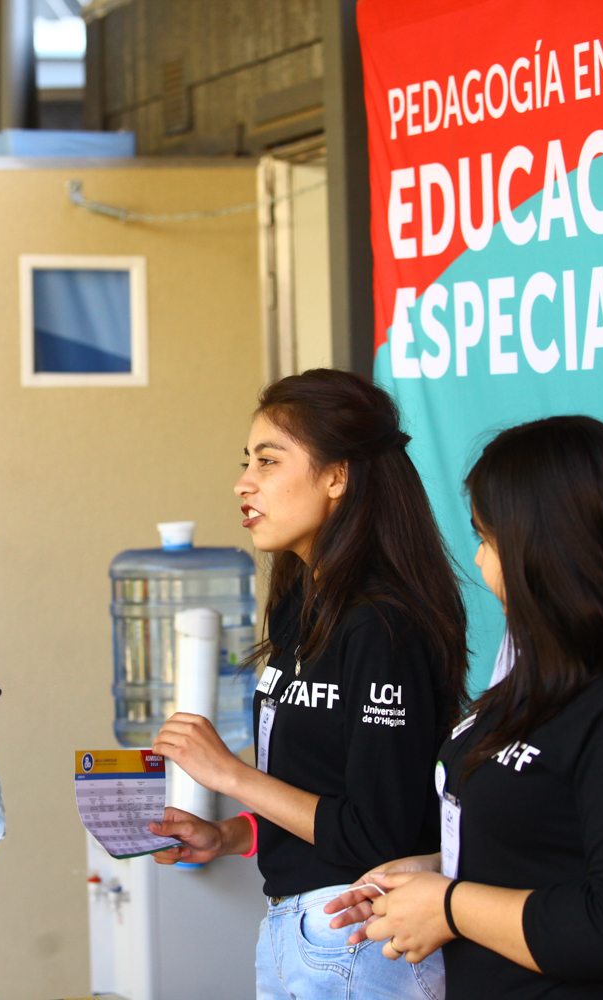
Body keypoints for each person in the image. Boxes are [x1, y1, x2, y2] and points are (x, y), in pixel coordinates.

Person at [326, 415, 603, 1000]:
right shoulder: (542, 683)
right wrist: (432, 874)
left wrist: (451, 907)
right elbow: (553, 850)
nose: (480, 565)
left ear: (548, 548)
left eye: (487, 539)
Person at [147, 369, 469, 1000]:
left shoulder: (383, 623)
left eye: (269, 462)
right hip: (292, 933)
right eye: (247, 462)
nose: (244, 484)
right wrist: (232, 834)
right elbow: (323, 791)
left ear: (337, 476)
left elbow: (380, 830)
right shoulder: (299, 606)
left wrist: (229, 774)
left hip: (362, 937)